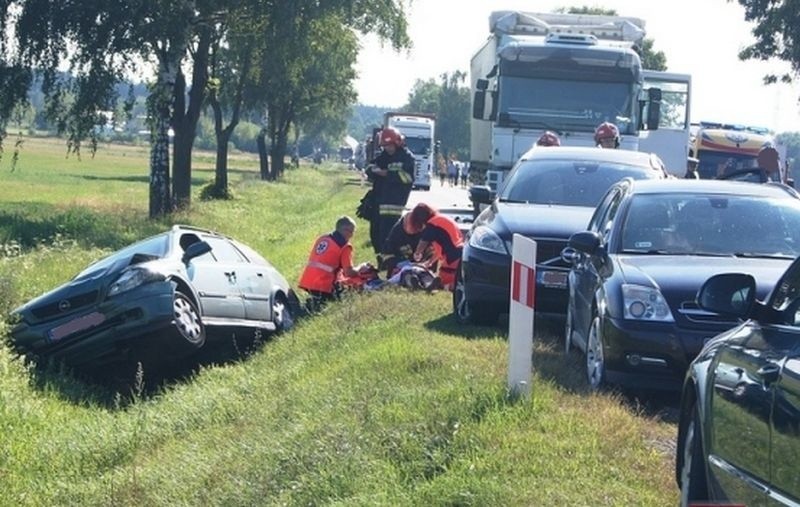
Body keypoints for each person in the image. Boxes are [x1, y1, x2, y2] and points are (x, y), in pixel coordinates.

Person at [367, 127, 416, 256]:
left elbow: (408, 178)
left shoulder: (406, 157)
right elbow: (371, 167)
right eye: (385, 146)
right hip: (379, 203)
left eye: (389, 145)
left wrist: (385, 174)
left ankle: (392, 262)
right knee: (375, 234)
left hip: (394, 205)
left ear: (397, 143)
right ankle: (381, 261)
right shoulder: (384, 156)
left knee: (390, 236)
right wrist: (372, 170)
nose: (387, 148)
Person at [298, 216, 361, 311]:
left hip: (308, 280)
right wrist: (360, 269)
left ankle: (310, 304)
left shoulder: (323, 238)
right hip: (323, 284)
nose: (352, 235)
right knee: (347, 294)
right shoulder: (344, 246)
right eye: (351, 231)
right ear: (344, 230)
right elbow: (349, 272)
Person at [408, 203, 464, 291]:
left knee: (443, 281)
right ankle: (435, 286)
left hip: (451, 260)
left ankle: (438, 286)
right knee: (445, 279)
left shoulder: (432, 224)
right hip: (459, 255)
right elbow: (440, 249)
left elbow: (424, 241)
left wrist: (417, 253)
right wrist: (429, 262)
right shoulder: (442, 220)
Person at [378, 212, 425, 278]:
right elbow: (387, 255)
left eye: (417, 229)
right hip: (401, 265)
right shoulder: (396, 234)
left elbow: (432, 251)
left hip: (421, 266)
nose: (415, 231)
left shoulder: (423, 232)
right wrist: (400, 264)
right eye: (412, 228)